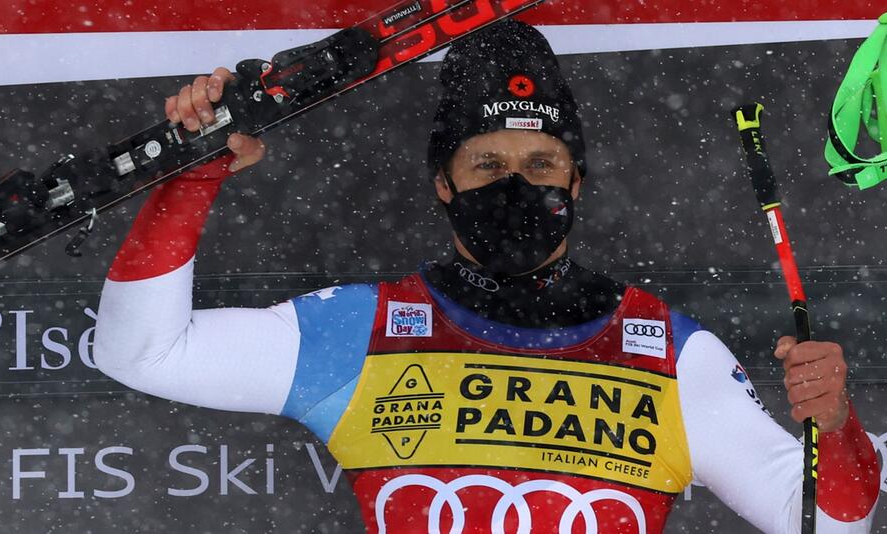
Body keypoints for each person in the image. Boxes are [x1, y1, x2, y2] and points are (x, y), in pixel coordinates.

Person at [94, 20, 879, 533]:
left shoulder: (668, 353)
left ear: (575, 183)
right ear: (445, 183)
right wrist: (192, 177)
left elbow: (829, 521)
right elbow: (142, 354)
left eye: (542, 163)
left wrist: (836, 422)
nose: (516, 185)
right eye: (488, 165)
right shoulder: (361, 331)